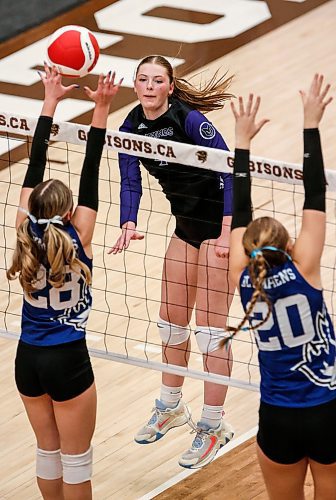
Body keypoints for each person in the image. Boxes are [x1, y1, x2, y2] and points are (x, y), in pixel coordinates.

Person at [110, 55, 235, 468]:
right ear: (135, 84)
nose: (149, 86)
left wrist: (227, 230)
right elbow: (130, 181)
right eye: (142, 79)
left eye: (157, 80)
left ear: (169, 85)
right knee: (170, 322)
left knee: (211, 333)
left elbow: (232, 169)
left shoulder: (190, 120)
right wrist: (129, 220)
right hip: (186, 228)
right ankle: (170, 406)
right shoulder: (130, 128)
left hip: (222, 227)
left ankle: (213, 426)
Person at [7, 64, 122, 500]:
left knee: (46, 452)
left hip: (28, 360)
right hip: (69, 361)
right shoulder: (81, 237)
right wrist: (102, 108)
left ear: (31, 206)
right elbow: (91, 167)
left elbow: (33, 164)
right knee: (77, 463)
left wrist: (49, 100)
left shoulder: (23, 230)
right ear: (71, 213)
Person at [227, 74, 336, 499]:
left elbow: (239, 211)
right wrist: (311, 122)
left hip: (277, 417)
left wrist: (241, 141)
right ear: (290, 246)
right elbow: (315, 192)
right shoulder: (305, 266)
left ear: (247, 247)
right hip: (326, 411)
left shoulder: (241, 273)